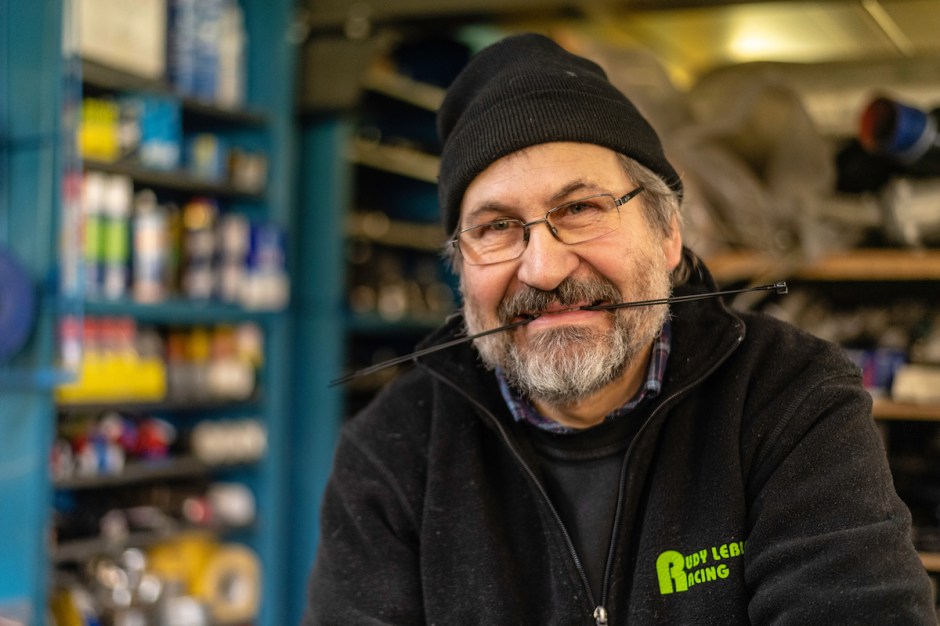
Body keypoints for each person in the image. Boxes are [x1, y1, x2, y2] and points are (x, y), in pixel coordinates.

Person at [304, 33, 936, 625]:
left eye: (580, 209)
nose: (544, 269)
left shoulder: (789, 395)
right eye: (495, 228)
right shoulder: (393, 451)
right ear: (461, 266)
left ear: (668, 234)